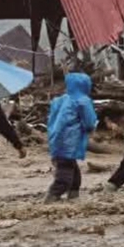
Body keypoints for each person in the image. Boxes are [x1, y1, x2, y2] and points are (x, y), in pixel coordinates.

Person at [45, 71, 98, 202]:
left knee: (71, 167)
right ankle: (54, 194)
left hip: (55, 138)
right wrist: (92, 127)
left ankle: (74, 193)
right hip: (70, 140)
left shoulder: (60, 100)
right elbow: (89, 121)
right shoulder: (83, 101)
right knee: (66, 172)